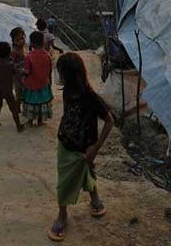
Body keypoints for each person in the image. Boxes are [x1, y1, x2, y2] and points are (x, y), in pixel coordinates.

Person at [48, 53, 115, 242]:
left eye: (61, 72)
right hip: (65, 144)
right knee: (66, 181)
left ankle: (70, 212)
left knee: (85, 171)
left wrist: (95, 148)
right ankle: (70, 211)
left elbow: (110, 121)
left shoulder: (90, 97)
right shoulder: (67, 90)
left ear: (70, 74)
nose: (58, 76)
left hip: (85, 148)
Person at [0, 42, 24, 132]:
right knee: (13, 109)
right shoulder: (10, 65)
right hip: (8, 91)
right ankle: (18, 126)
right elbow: (17, 72)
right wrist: (20, 66)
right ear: (9, 53)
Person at [22, 31, 53, 127]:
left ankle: (30, 121)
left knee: (31, 102)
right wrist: (49, 81)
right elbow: (49, 70)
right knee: (42, 103)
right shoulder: (48, 55)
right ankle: (40, 121)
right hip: (44, 84)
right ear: (43, 43)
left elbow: (26, 72)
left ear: (32, 43)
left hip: (31, 85)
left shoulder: (29, 56)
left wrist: (21, 73)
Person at [9, 27, 27, 107]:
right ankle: (17, 107)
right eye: (18, 40)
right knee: (19, 92)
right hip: (18, 75)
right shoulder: (14, 51)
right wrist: (22, 63)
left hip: (24, 74)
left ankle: (22, 106)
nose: (21, 41)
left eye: (22, 38)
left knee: (25, 92)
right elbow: (12, 64)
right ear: (13, 41)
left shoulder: (24, 47)